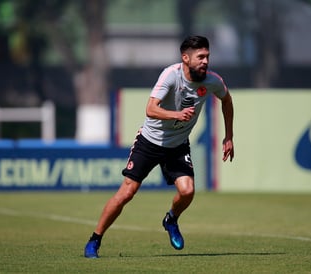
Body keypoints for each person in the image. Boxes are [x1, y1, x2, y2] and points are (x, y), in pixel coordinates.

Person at [84, 35, 234, 258]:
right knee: (127, 192)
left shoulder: (212, 81)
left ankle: (171, 219)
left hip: (178, 145)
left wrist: (228, 136)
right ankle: (94, 240)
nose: (205, 61)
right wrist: (177, 114)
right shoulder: (170, 76)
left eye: (207, 56)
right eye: (200, 57)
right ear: (185, 58)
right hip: (149, 142)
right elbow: (150, 109)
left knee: (188, 191)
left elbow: (227, 101)